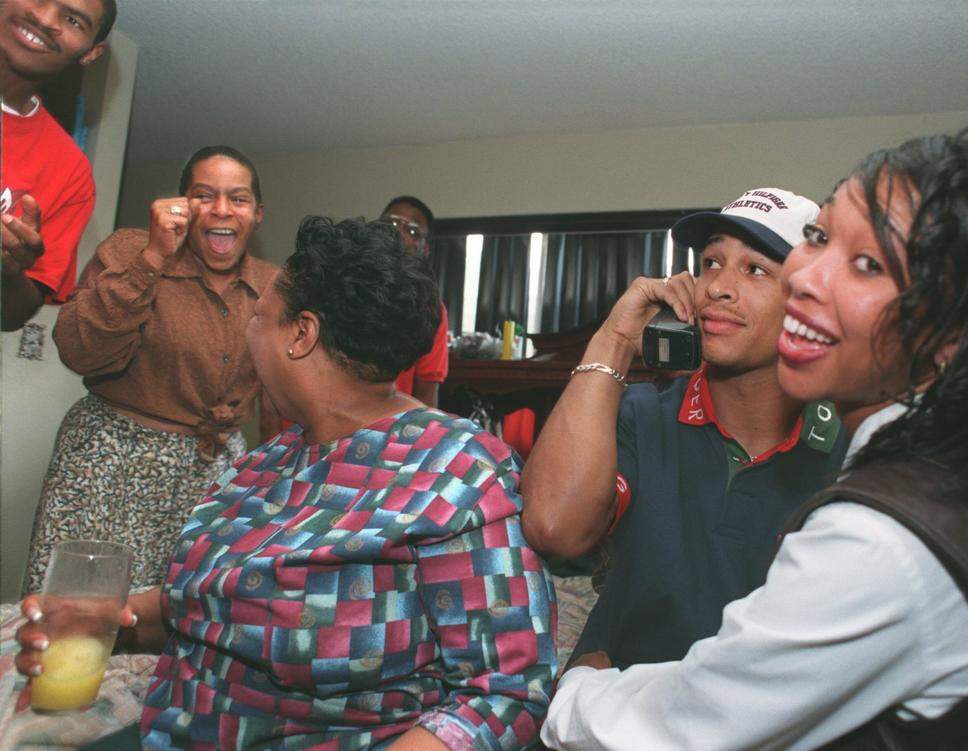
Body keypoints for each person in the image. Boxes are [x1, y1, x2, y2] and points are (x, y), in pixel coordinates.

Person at [540, 126, 968, 750]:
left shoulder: (892, 535)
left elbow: (702, 722)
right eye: (821, 239)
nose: (805, 278)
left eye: (867, 265)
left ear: (951, 335)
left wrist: (576, 693)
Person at [17, 216, 559, 750]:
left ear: (300, 334)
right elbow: (218, 606)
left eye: (257, 317)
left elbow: (504, 693)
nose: (246, 334)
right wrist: (116, 623)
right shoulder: (269, 460)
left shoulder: (456, 472)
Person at [522, 188, 845, 668]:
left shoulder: (847, 450)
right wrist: (613, 342)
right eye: (711, 262)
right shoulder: (642, 413)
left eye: (755, 269)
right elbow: (555, 529)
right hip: (615, 714)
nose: (717, 286)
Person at [23, 146, 280, 593]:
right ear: (180, 204)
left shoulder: (276, 287)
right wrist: (154, 257)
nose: (222, 209)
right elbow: (79, 350)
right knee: (78, 612)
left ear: (257, 214)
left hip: (214, 475)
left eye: (238, 199)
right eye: (205, 195)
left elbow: (285, 388)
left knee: (183, 616)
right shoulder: (131, 249)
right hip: (109, 463)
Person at [0, 0, 116, 330]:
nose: (45, 18)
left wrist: (8, 272)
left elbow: (14, 315)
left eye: (73, 20)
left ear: (90, 53)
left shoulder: (71, 173)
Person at [381, 195, 450, 407]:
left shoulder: (429, 309)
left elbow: (426, 393)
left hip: (385, 431)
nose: (397, 231)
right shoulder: (337, 281)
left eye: (411, 230)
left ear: (424, 249)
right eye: (391, 222)